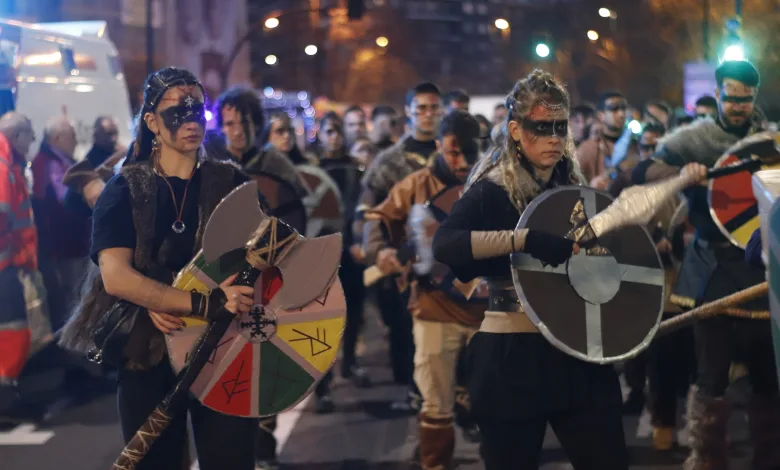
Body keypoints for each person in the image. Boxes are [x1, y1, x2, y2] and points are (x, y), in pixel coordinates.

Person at [59, 67, 258, 470]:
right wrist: (197, 302)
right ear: (151, 121)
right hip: (148, 354)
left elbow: (264, 256)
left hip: (225, 350)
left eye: (197, 110)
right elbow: (117, 277)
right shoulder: (124, 189)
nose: (191, 121)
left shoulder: (232, 183)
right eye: (177, 112)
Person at [432, 70, 628, 469]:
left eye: (560, 127)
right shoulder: (492, 189)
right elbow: (446, 244)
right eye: (541, 127)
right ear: (516, 130)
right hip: (512, 354)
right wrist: (524, 240)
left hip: (576, 349)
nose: (554, 138)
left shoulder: (571, 188)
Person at [631, 59, 779, 469]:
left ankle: (770, 459)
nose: (738, 107)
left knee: (768, 377)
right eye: (731, 98)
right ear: (718, 94)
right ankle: (707, 459)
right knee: (712, 376)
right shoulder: (694, 138)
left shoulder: (770, 139)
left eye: (745, 99)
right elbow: (643, 171)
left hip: (761, 265)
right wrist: (682, 171)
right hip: (713, 267)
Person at [363, 110, 484, 469]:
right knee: (435, 402)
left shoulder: (493, 183)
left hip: (489, 309)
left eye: (468, 153)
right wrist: (381, 250)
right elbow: (377, 218)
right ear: (439, 146)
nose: (461, 162)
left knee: (496, 401)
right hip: (434, 306)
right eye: (453, 152)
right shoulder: (415, 184)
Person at [357, 82, 442, 410]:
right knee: (408, 332)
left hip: (451, 262)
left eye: (433, 108)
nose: (428, 114)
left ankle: (453, 401)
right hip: (406, 263)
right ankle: (417, 395)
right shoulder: (388, 162)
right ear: (408, 112)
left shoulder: (455, 156)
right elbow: (369, 212)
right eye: (421, 108)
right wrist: (378, 251)